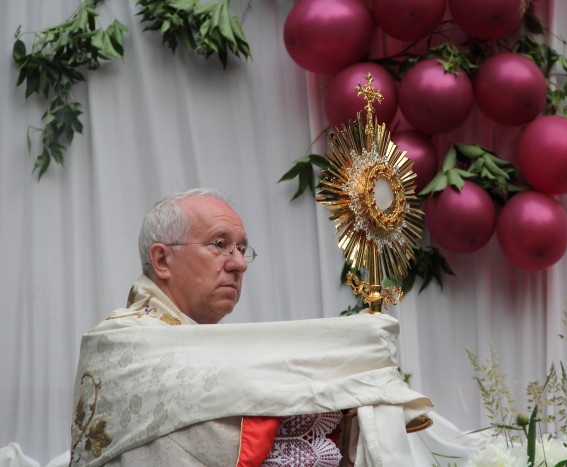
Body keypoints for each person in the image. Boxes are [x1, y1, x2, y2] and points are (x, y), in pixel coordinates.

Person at [70, 188, 432, 466]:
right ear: (162, 260)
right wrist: (349, 357)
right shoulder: (120, 344)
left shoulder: (197, 343)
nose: (240, 264)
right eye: (220, 245)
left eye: (243, 249)